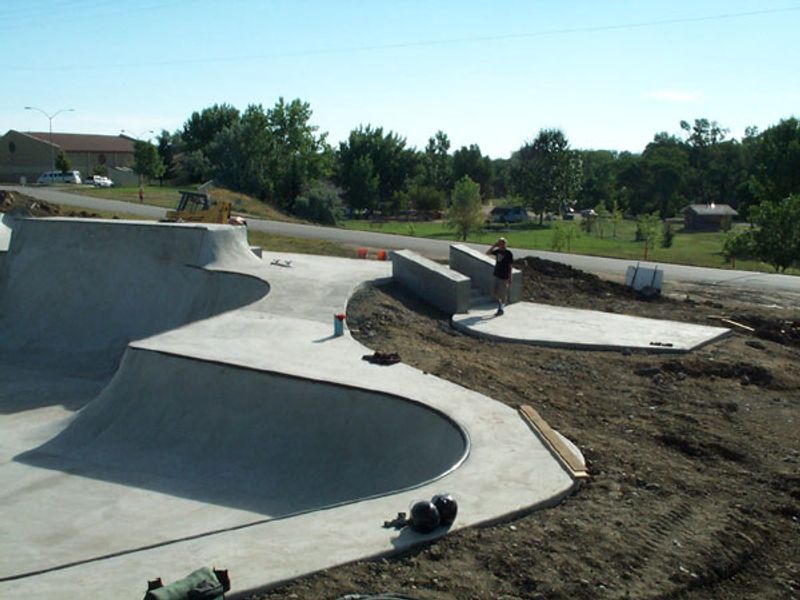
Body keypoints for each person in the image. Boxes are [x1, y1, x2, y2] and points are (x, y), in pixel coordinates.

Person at [486, 237, 513, 316]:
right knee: (494, 292)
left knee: (503, 293)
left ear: (505, 244)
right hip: (497, 274)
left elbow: (510, 266)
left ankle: (501, 308)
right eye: (500, 243)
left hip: (504, 276)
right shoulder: (498, 251)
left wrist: (510, 277)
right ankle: (502, 304)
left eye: (503, 243)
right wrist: (494, 246)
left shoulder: (508, 253)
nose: (501, 245)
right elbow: (487, 253)